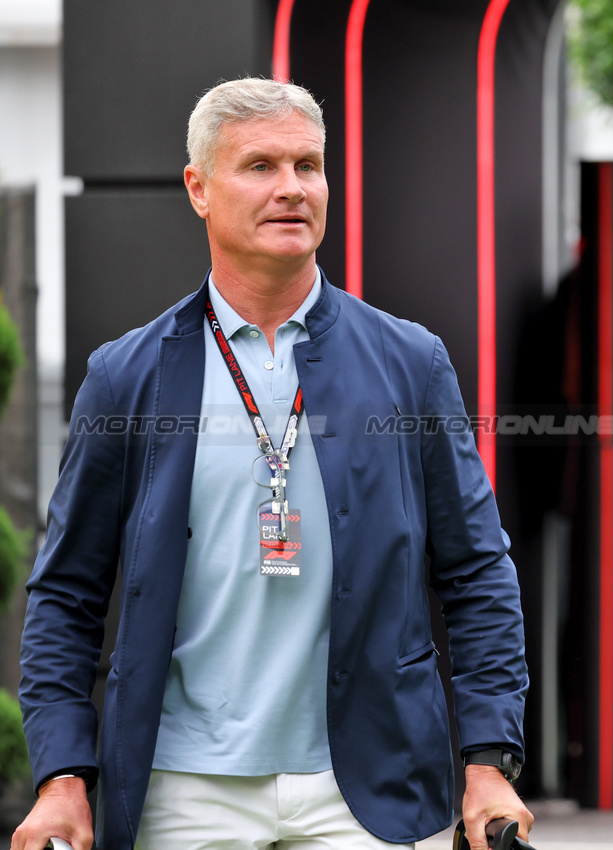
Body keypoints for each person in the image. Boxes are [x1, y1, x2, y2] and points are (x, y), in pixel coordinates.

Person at [13, 78, 532, 850]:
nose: (291, 188)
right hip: (180, 793)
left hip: (367, 793)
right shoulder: (126, 376)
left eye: (307, 166)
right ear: (199, 188)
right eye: (260, 166)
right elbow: (66, 595)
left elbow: (476, 573)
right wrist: (62, 778)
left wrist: (488, 760)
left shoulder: (410, 363)